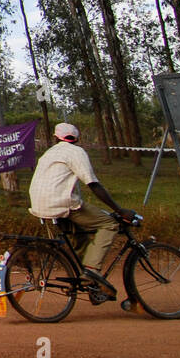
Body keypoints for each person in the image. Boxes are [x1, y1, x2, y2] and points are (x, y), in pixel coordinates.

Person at [28, 122, 136, 299]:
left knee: (78, 235)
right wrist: (119, 210)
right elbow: (93, 183)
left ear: (56, 138)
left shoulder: (49, 153)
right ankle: (92, 270)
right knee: (109, 223)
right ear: (77, 139)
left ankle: (89, 279)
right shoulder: (76, 152)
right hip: (60, 203)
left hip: (39, 204)